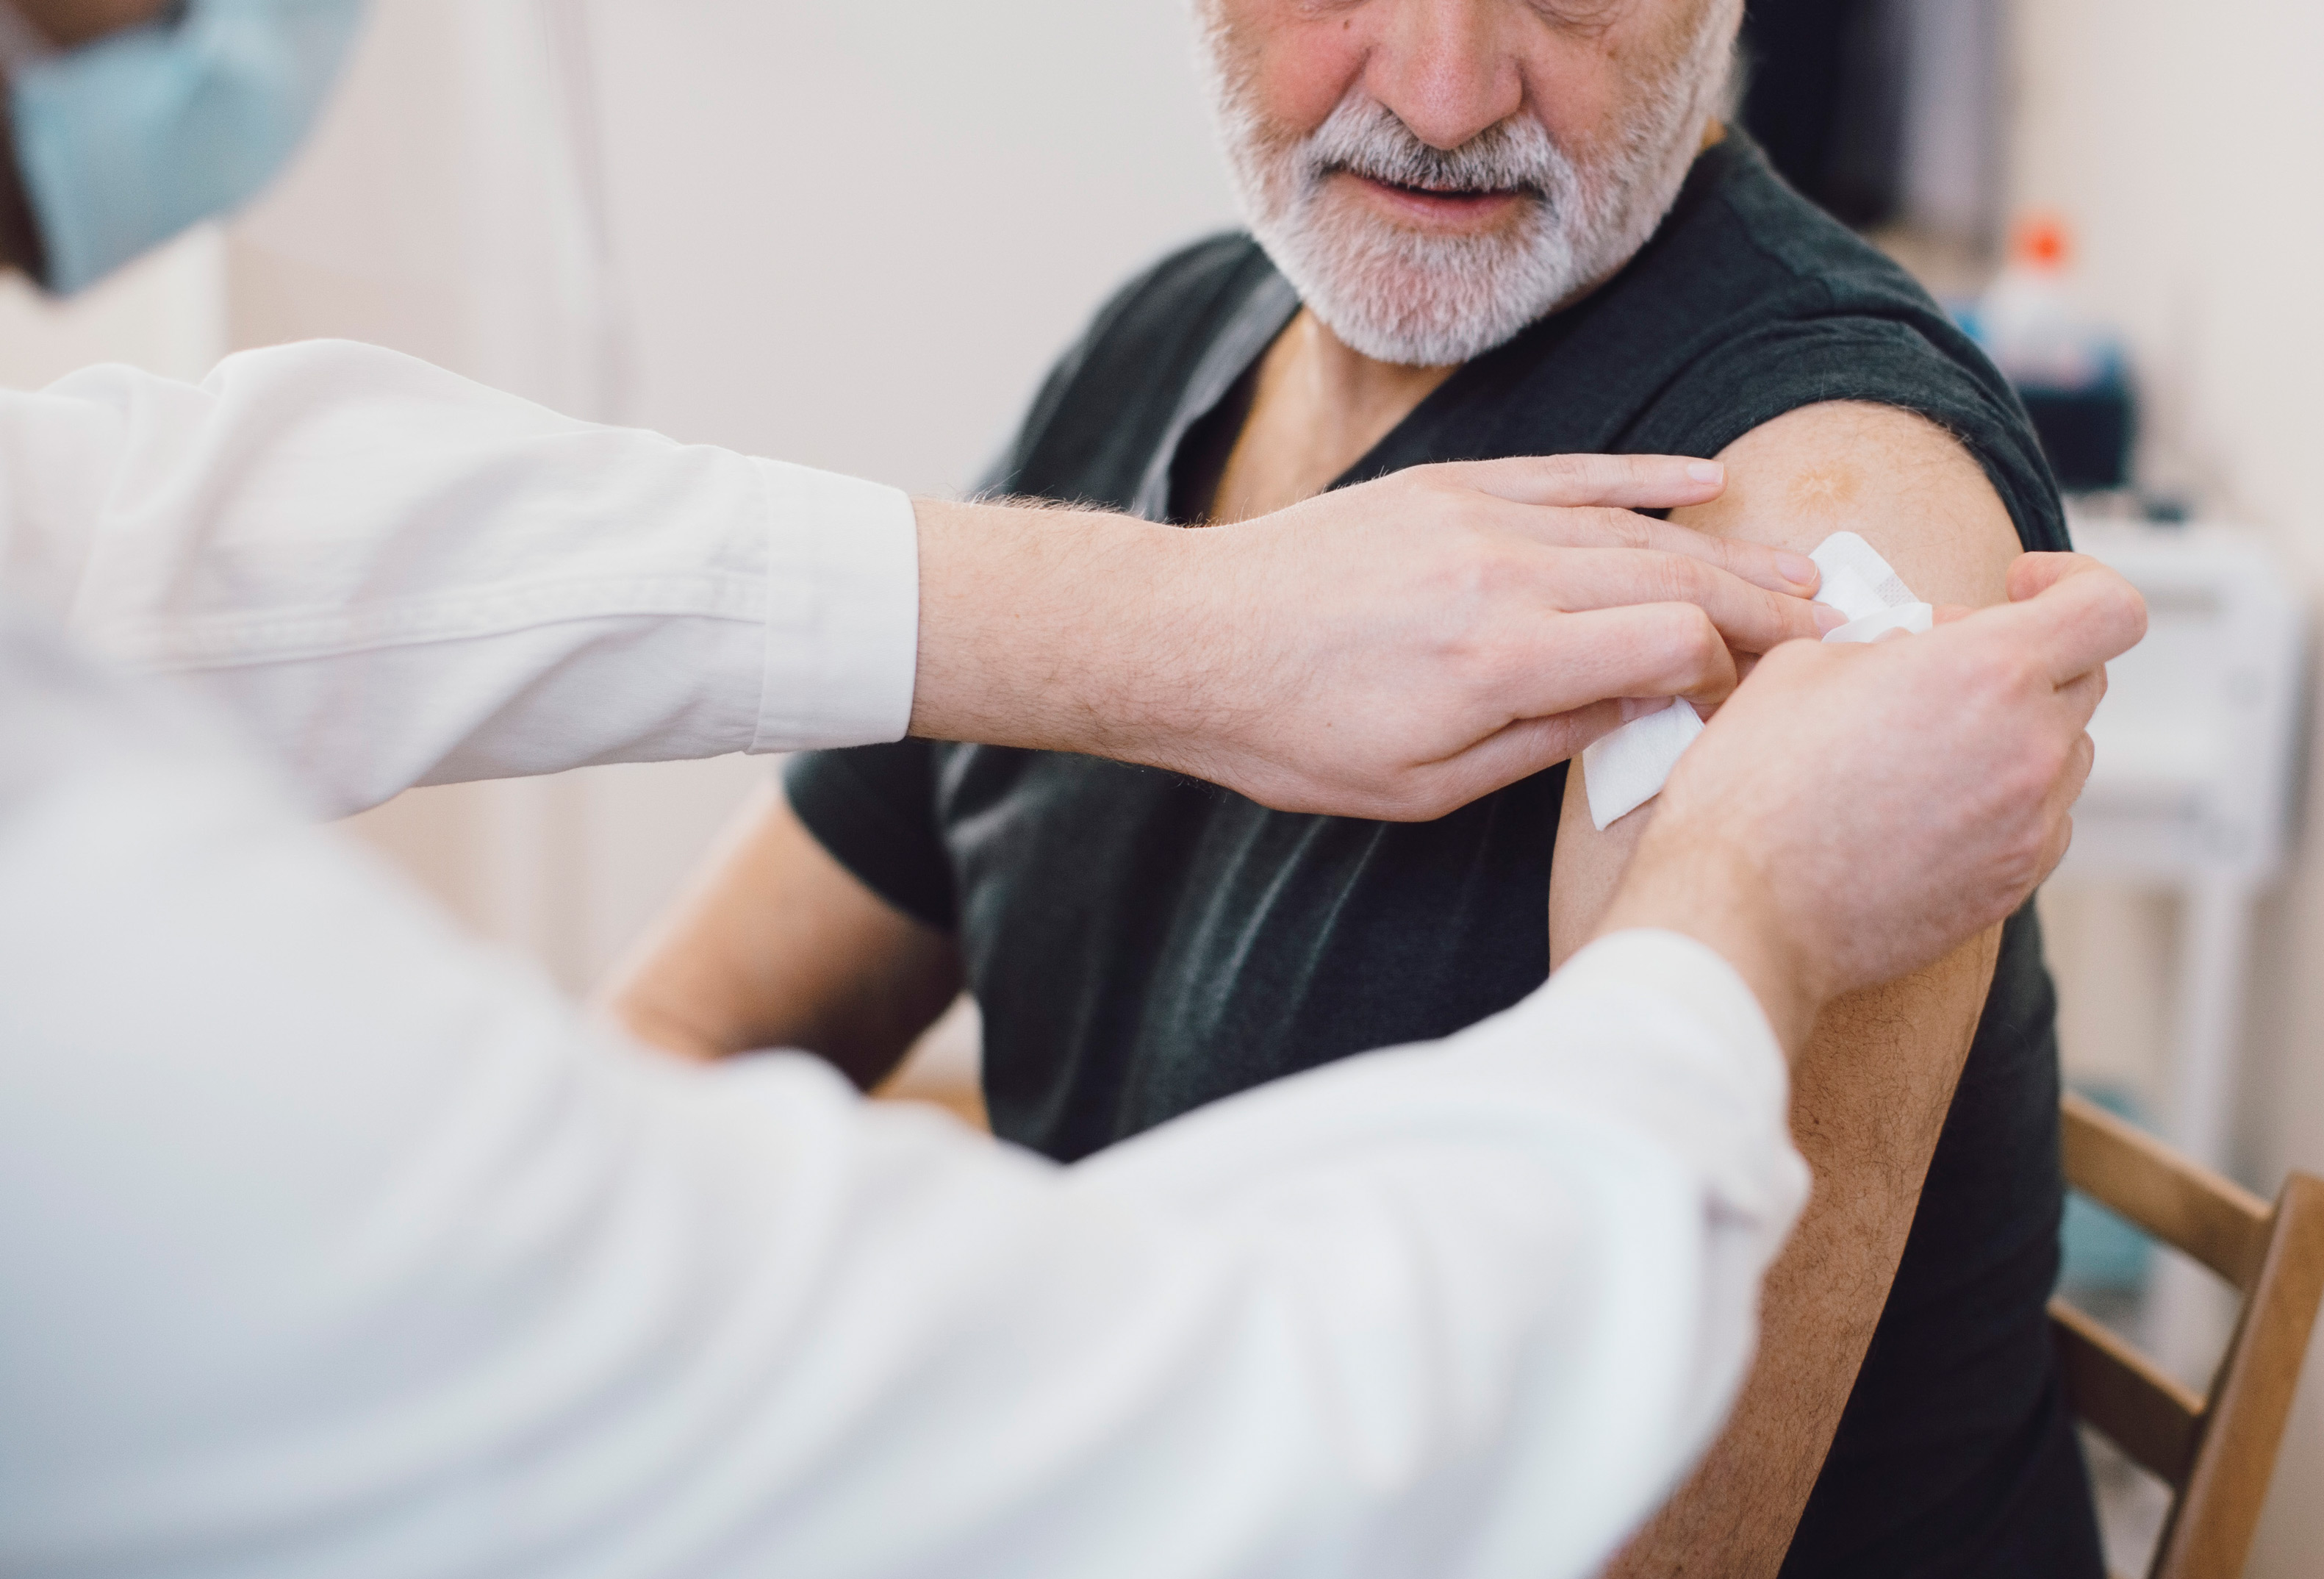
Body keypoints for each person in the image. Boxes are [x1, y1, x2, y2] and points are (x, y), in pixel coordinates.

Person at [0, 409, 2142, 1571]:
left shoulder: (1849, 479)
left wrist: (1147, 625)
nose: (1441, 70)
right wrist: (1741, 904)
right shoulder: (1164, 352)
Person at [607, 2, 2098, 1575]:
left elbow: (1635, 1550)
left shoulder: (1829, 510)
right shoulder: (1165, 342)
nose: (1443, 95)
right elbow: (675, 1039)